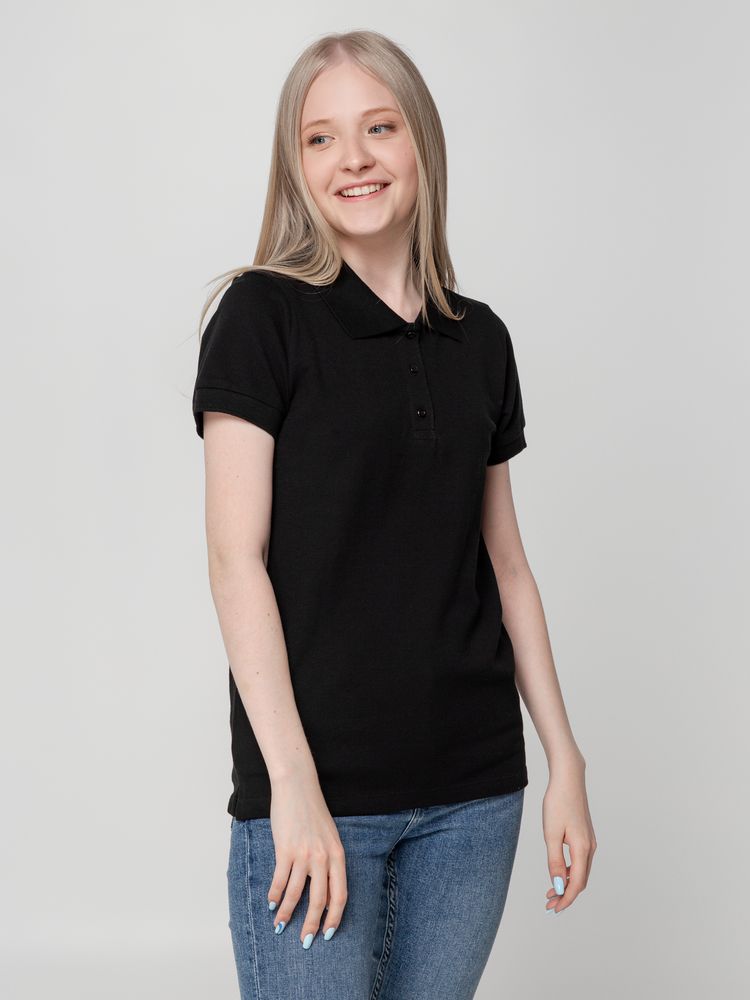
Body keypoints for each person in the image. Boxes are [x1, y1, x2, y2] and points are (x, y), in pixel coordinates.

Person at [191, 29, 596, 1000]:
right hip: (317, 793)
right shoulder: (259, 317)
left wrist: (566, 760)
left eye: (379, 127)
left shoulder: (481, 340)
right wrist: (291, 786)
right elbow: (235, 560)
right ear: (295, 164)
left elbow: (506, 567)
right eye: (320, 137)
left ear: (422, 142)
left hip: (474, 795)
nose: (353, 158)